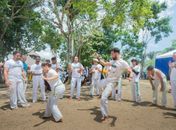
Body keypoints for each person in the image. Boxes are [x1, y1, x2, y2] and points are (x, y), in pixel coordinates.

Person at [97, 48, 132, 121]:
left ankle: (105, 115)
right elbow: (104, 64)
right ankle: (107, 93)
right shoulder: (112, 61)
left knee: (103, 98)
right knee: (98, 84)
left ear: (116, 53)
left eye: (112, 54)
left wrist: (130, 77)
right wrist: (98, 58)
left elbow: (129, 70)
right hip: (107, 80)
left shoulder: (123, 62)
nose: (111, 55)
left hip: (113, 82)